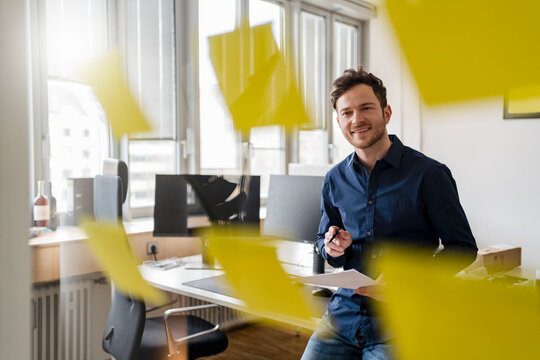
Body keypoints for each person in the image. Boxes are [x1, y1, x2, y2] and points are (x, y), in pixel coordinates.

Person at [301, 67, 478, 360]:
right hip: (342, 318)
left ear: (386, 113)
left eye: (366, 108)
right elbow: (325, 242)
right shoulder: (334, 178)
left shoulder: (430, 174)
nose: (356, 119)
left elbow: (463, 249)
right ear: (339, 121)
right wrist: (332, 246)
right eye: (346, 113)